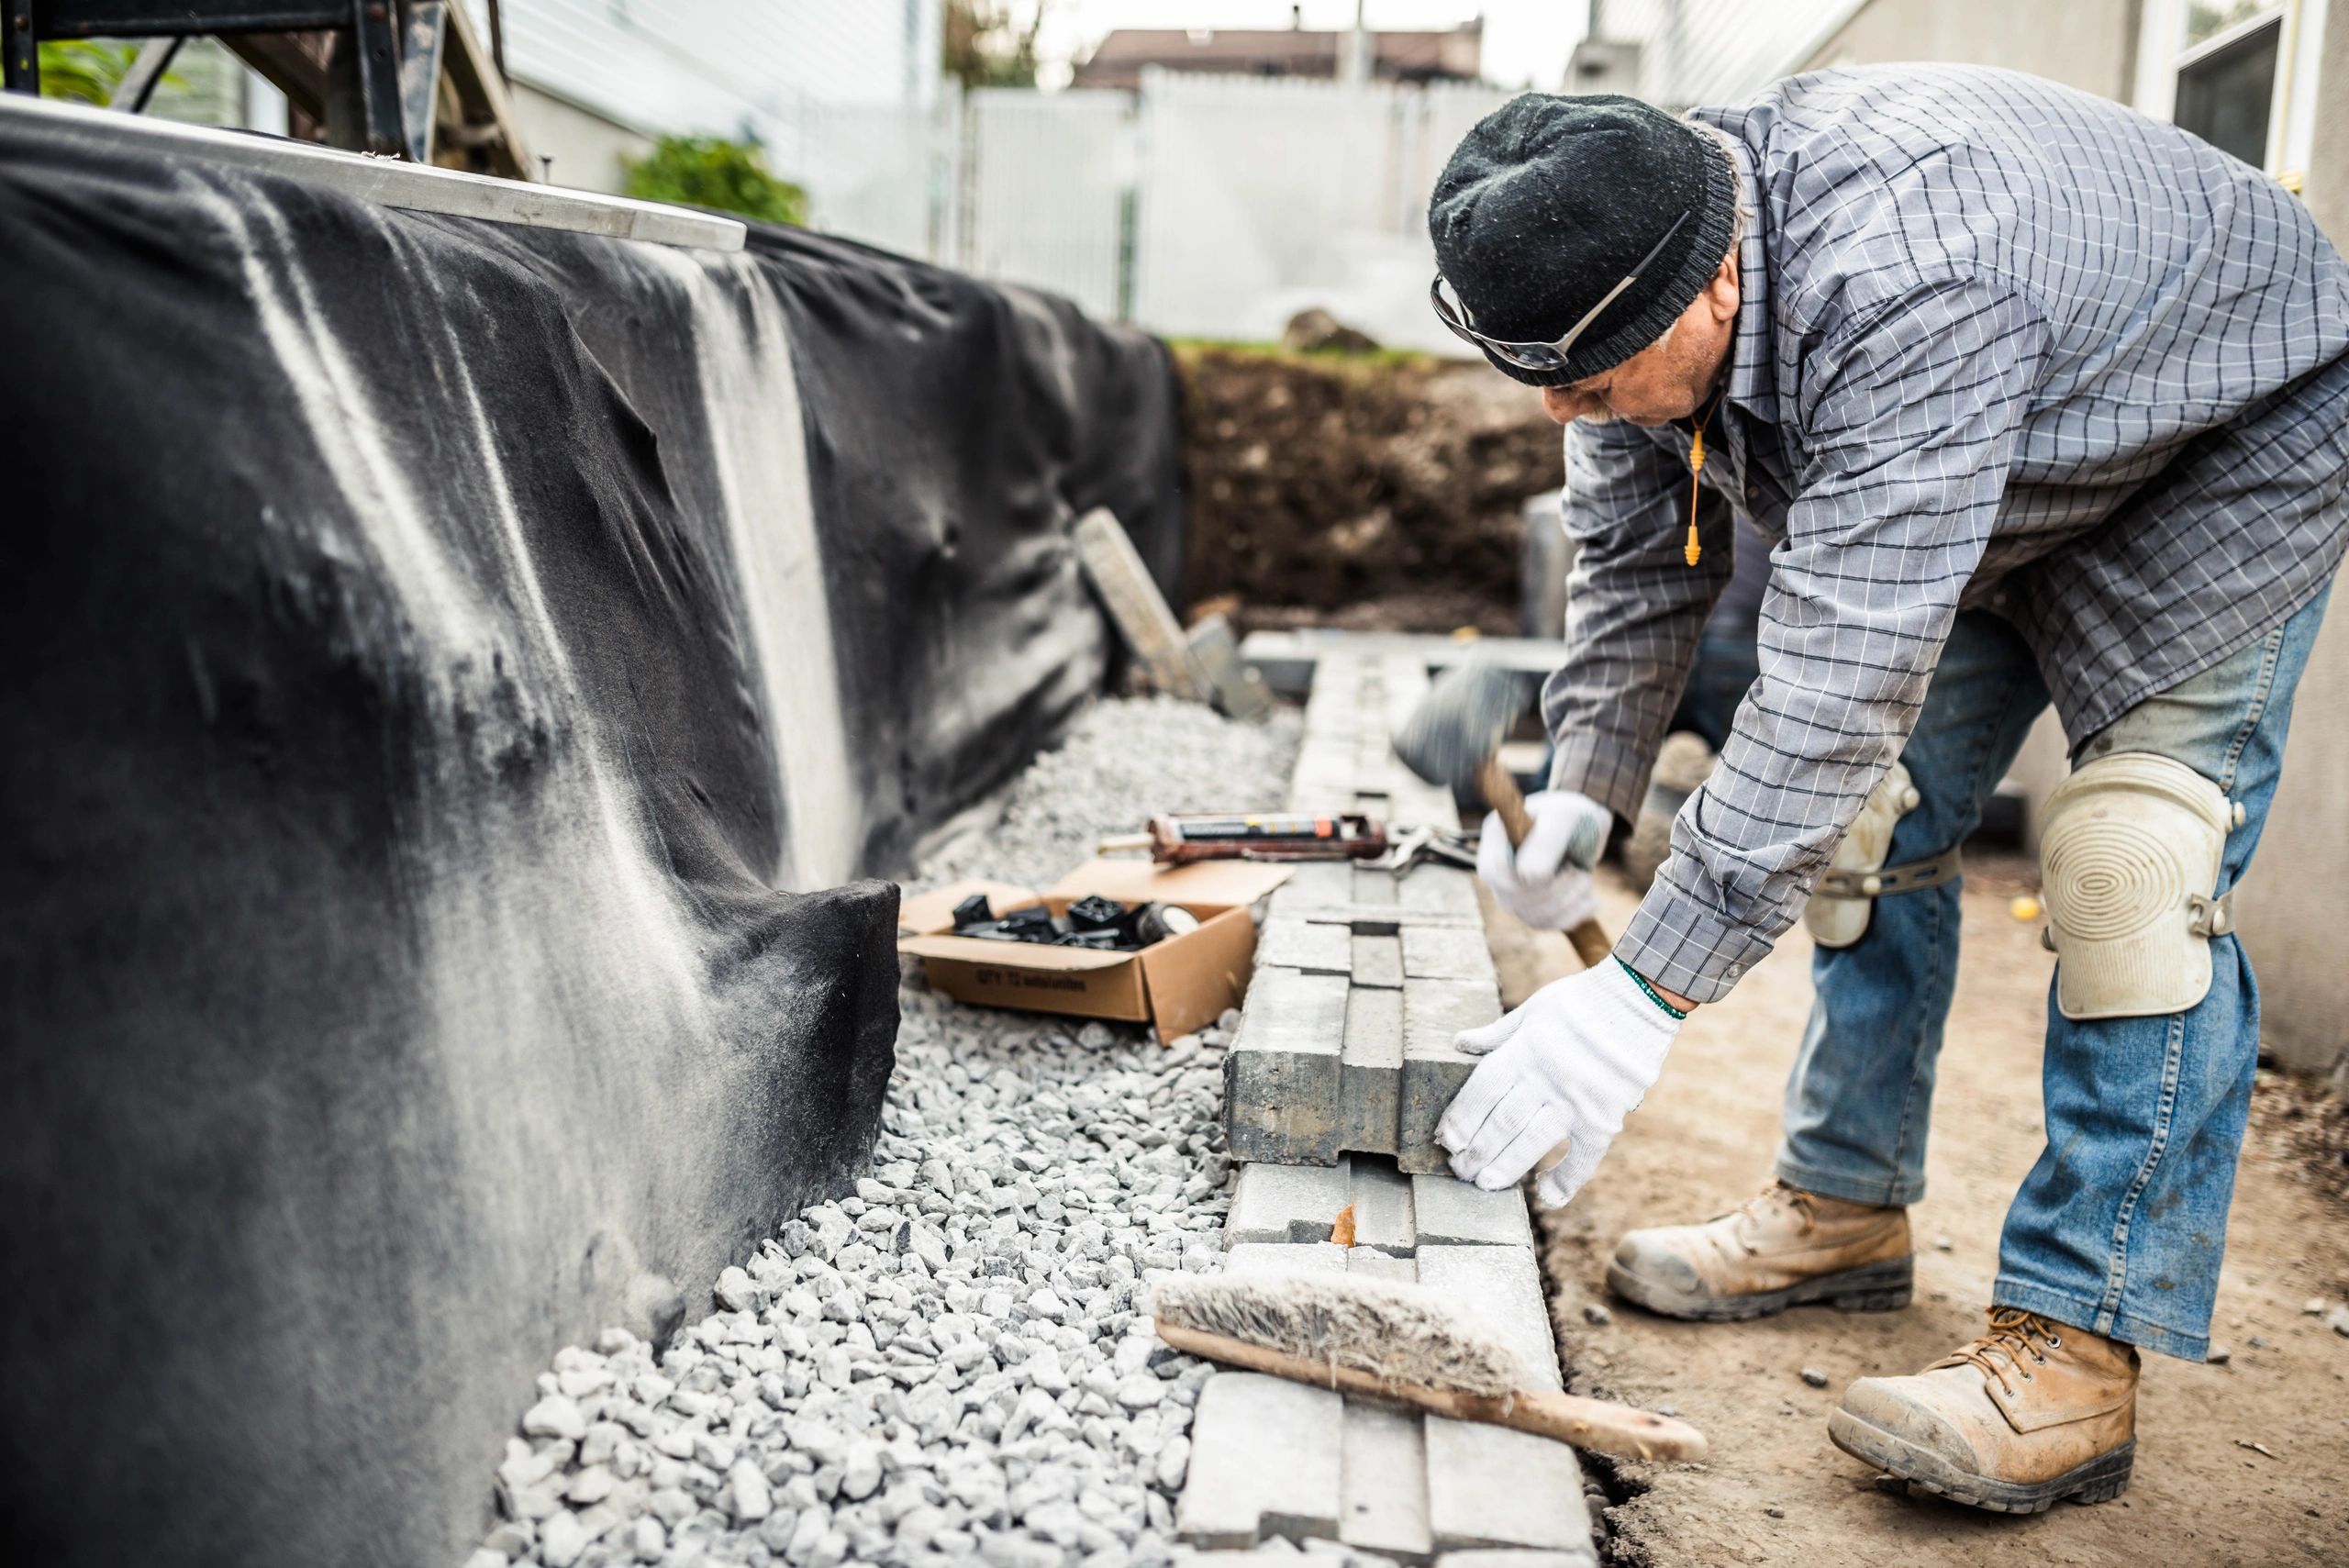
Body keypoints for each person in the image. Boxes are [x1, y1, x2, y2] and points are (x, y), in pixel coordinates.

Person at [1422, 66, 2347, 1513]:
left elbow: (1838, 677)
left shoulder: (1909, 279)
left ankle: (2076, 1346)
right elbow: (1636, 557)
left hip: (2221, 437)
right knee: (1868, 822)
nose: (1564, 409)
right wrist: (1588, 787)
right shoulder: (1614, 244)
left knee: (2133, 869)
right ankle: (1844, 1203)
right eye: (1542, 377)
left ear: (1715, 284)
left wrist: (1640, 995)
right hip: (1997, 438)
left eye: (1590, 383)